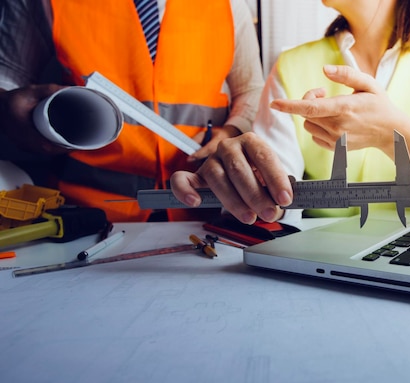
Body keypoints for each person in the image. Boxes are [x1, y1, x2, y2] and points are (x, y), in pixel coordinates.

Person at [170, 0, 410, 227]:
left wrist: (394, 136)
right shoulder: (291, 65)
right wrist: (237, 181)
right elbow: (272, 204)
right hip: (317, 275)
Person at [0, 0, 264, 222]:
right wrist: (12, 112)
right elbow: (6, 83)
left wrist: (232, 130)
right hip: (89, 213)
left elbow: (250, 89)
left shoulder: (227, 4)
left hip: (200, 210)